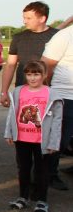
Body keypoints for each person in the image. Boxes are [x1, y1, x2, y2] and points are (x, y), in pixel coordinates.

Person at [4, 60, 62, 212]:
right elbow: (12, 114)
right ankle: (23, 197)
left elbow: (57, 121)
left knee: (42, 171)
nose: (32, 78)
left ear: (44, 75)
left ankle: (42, 200)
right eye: (29, 74)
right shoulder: (18, 91)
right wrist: (9, 132)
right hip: (22, 139)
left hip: (42, 141)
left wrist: (54, 143)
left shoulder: (52, 94)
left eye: (36, 74)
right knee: (23, 168)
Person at [41, 19, 73, 188]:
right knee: (60, 138)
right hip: (64, 96)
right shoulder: (65, 36)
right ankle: (49, 173)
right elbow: (45, 67)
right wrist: (48, 93)